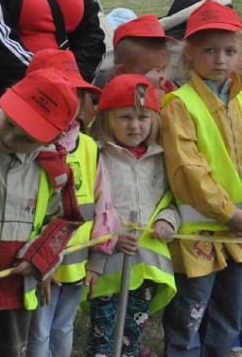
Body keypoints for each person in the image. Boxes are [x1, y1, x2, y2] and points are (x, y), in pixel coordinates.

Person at [0, 68, 85, 357]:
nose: (11, 138)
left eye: (27, 137)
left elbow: (66, 220)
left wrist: (40, 258)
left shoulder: (55, 170)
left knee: (8, 349)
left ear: (53, 136)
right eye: (9, 123)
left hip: (14, 287)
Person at [161, 0, 242, 357]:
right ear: (189, 52)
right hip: (199, 235)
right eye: (209, 50)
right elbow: (189, 169)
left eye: (229, 51)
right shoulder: (179, 103)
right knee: (188, 321)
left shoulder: (240, 102)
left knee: (229, 317)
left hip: (238, 233)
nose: (220, 59)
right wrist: (229, 213)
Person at [23, 49, 117, 357]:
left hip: (77, 265)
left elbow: (104, 206)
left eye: (73, 93)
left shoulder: (89, 147)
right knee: (37, 334)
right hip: (39, 266)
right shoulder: (30, 149)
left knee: (63, 328)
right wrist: (40, 264)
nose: (68, 101)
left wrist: (98, 259)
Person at [85, 74, 178, 357]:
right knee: (103, 335)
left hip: (146, 267)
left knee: (133, 335)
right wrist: (109, 241)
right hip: (107, 265)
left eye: (143, 117)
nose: (135, 126)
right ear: (106, 120)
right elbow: (92, 206)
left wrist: (167, 221)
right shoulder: (98, 156)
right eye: (125, 117)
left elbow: (173, 200)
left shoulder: (160, 157)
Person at [113, 14, 177, 99]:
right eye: (150, 71)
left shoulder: (168, 87)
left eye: (163, 69)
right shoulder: (116, 96)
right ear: (123, 71)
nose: (161, 77)